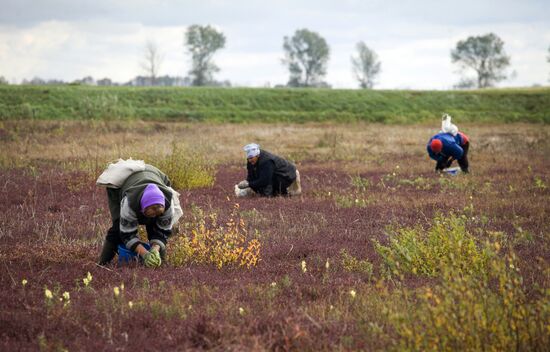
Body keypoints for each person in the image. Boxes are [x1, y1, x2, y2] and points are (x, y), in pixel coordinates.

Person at [98, 164, 175, 267]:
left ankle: (161, 265)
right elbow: (127, 234)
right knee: (117, 229)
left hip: (154, 174)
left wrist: (155, 250)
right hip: (123, 184)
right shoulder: (129, 203)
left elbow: (163, 232)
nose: (153, 216)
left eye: (158, 214)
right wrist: (145, 254)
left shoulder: (169, 205)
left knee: (154, 227)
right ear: (142, 209)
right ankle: (103, 264)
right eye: (151, 214)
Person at [236, 143, 301, 197]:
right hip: (276, 175)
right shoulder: (250, 161)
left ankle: (280, 193)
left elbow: (265, 181)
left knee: (267, 188)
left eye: (252, 158)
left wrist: (249, 184)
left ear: (257, 156)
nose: (250, 160)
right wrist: (247, 181)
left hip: (288, 175)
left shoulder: (267, 161)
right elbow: (251, 175)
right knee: (258, 183)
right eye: (249, 158)